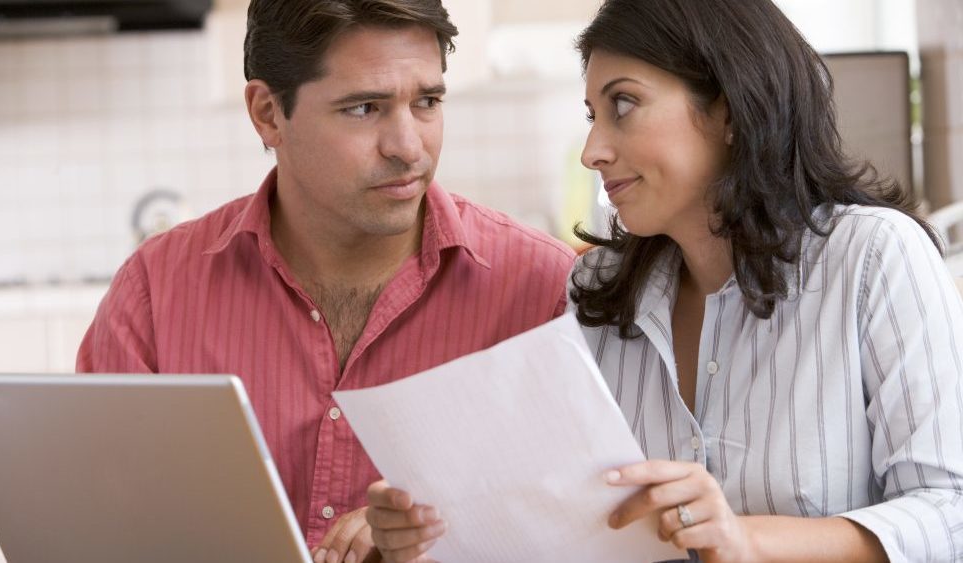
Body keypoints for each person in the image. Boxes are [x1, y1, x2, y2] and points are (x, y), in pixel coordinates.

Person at [365, 0, 963, 561]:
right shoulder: (594, 290)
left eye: (623, 105)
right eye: (592, 117)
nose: (593, 150)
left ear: (729, 107)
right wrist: (429, 528)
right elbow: (561, 521)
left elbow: (949, 511)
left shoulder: (872, 257)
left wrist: (745, 541)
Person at [76, 1, 575, 562]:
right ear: (268, 113)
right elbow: (94, 530)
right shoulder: (155, 292)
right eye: (364, 108)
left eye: (428, 102)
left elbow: (584, 528)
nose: (408, 147)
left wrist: (446, 534)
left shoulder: (546, 291)